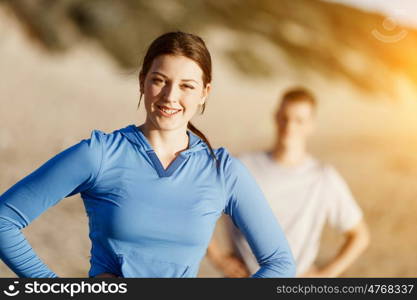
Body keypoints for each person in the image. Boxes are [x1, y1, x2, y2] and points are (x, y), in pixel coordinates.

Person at [0, 31, 296, 278]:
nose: (170, 97)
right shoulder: (100, 154)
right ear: (142, 81)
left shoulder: (223, 171)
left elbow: (281, 265)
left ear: (205, 92)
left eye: (186, 86)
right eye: (159, 80)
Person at [207, 88, 370, 277]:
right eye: (285, 117)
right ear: (275, 117)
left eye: (299, 120)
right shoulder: (241, 167)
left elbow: (360, 236)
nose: (290, 126)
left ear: (311, 125)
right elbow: (197, 207)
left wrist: (325, 275)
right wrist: (217, 257)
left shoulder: (323, 178)